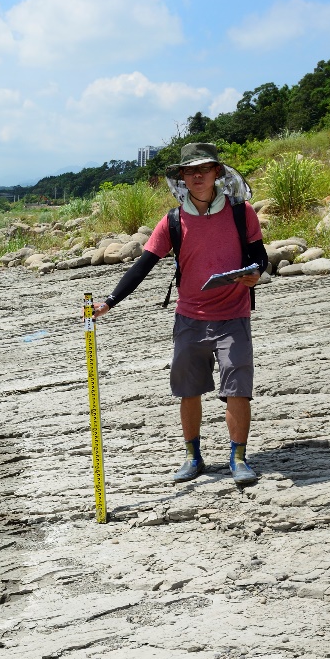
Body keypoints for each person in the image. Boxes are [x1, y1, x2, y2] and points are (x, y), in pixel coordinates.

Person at [93, 142, 270, 487]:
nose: (197, 175)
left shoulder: (240, 212)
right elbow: (143, 266)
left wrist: (255, 273)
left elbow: (259, 256)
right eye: (190, 171)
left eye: (204, 169)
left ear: (217, 172)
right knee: (188, 390)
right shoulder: (173, 219)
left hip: (234, 314)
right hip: (189, 316)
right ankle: (193, 457)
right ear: (182, 178)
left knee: (237, 387)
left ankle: (238, 457)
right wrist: (109, 301)